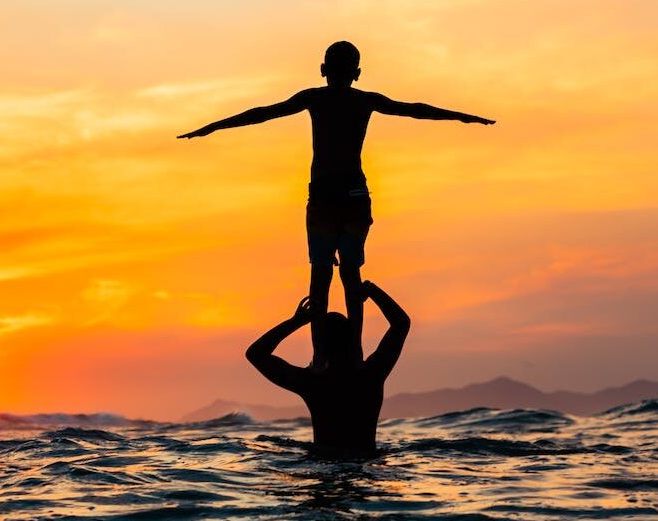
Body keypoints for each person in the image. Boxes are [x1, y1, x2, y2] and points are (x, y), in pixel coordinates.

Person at [180, 41, 491, 367]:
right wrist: (461, 117)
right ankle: (353, 355)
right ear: (357, 73)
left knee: (321, 277)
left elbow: (262, 114)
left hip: (325, 198)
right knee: (351, 275)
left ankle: (320, 358)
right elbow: (414, 108)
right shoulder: (364, 100)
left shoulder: (314, 98)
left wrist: (213, 127)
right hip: (354, 196)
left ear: (322, 70)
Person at [245, 280, 410, 455]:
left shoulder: (314, 384)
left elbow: (256, 354)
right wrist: (371, 290)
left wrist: (297, 321)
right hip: (366, 461)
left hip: (324, 463)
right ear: (352, 342)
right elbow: (401, 324)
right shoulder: (371, 375)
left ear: (320, 347)